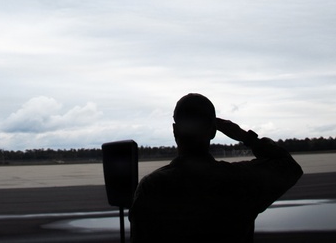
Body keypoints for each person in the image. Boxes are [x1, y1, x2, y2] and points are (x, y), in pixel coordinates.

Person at [129, 93, 303, 242]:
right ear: (213, 131)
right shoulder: (241, 180)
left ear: (175, 131)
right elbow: (289, 166)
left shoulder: (151, 187)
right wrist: (246, 137)